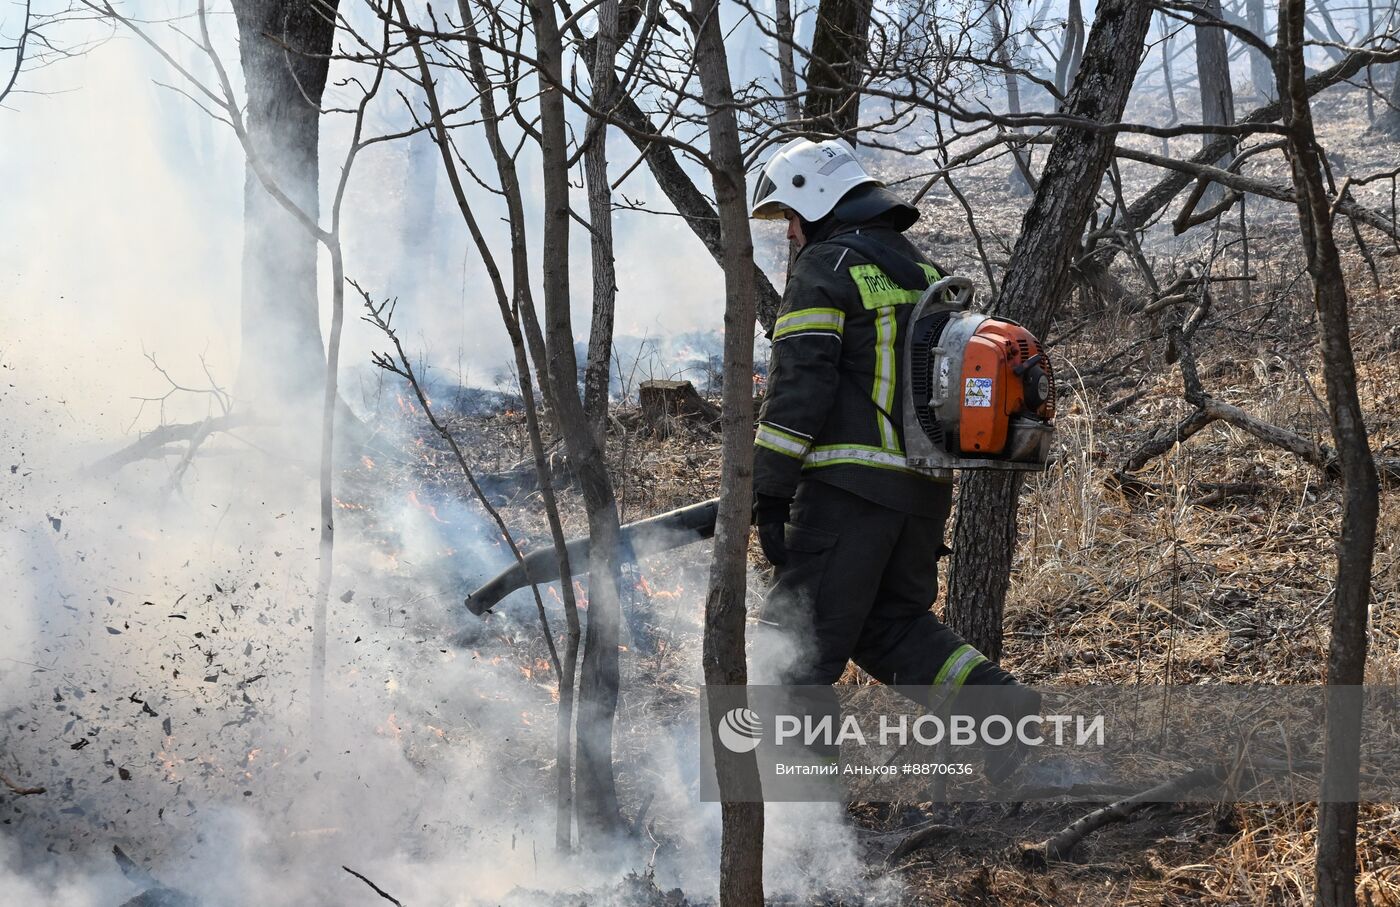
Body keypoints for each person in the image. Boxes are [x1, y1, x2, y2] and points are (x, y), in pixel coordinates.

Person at [749, 139, 1036, 779]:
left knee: (793, 652)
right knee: (890, 627)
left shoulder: (827, 266)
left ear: (815, 200)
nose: (790, 232)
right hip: (923, 495)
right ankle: (1002, 709)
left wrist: (770, 489)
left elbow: (802, 384)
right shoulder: (924, 274)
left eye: (790, 215)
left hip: (847, 494)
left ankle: (803, 814)